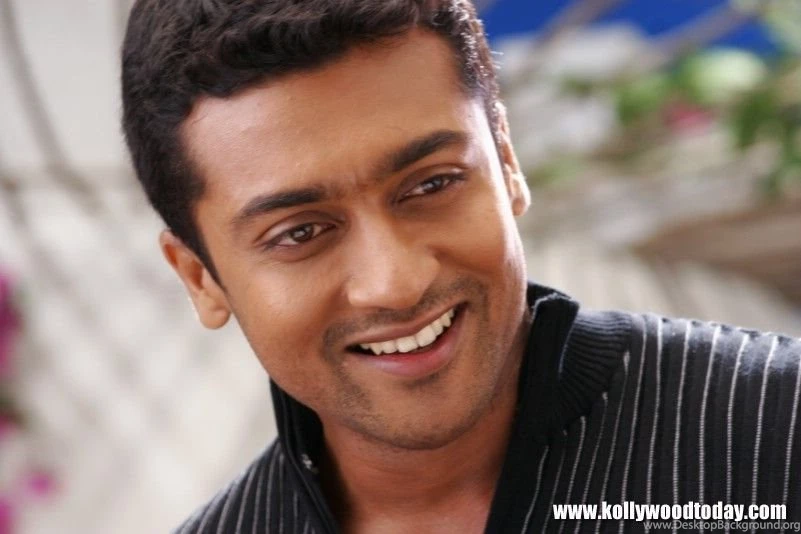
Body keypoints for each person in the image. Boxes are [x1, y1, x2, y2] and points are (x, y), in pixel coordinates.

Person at [120, 1, 801, 532]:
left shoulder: (775, 435)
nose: (397, 282)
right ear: (199, 277)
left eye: (431, 184)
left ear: (506, 162)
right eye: (300, 232)